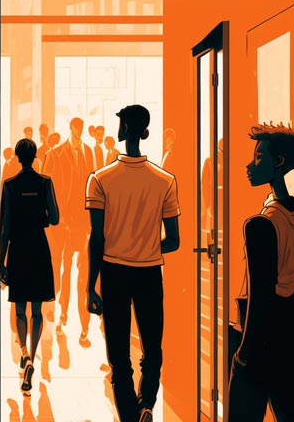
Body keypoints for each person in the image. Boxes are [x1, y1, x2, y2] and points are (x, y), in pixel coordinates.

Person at [86, 104, 181, 422]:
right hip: (150, 271)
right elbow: (175, 240)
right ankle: (148, 404)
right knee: (152, 348)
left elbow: (96, 239)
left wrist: (90, 285)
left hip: (114, 271)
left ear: (125, 129)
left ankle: (129, 414)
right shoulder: (164, 180)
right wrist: (147, 246)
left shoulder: (100, 179)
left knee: (119, 356)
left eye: (121, 124)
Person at [227, 122, 294, 422]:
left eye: (258, 158)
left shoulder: (261, 225)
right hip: (290, 348)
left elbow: (260, 296)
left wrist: (244, 352)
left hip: (258, 345)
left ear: (277, 163)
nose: (249, 166)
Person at [0, 139, 60, 394]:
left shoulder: (10, 185)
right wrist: (41, 217)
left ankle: (23, 352)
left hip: (18, 250)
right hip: (38, 247)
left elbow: (5, 228)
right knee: (38, 311)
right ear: (35, 157)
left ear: (16, 157)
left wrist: (1, 262)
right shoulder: (45, 182)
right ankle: (32, 358)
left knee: (20, 309)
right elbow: (55, 218)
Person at [42, 117, 94, 346]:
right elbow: (47, 186)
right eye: (75, 128)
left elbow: (93, 183)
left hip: (82, 219)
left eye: (80, 129)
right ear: (70, 128)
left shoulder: (88, 152)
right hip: (63, 220)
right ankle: (60, 309)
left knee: (82, 267)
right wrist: (56, 215)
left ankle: (81, 319)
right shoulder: (56, 153)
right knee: (62, 265)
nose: (78, 132)